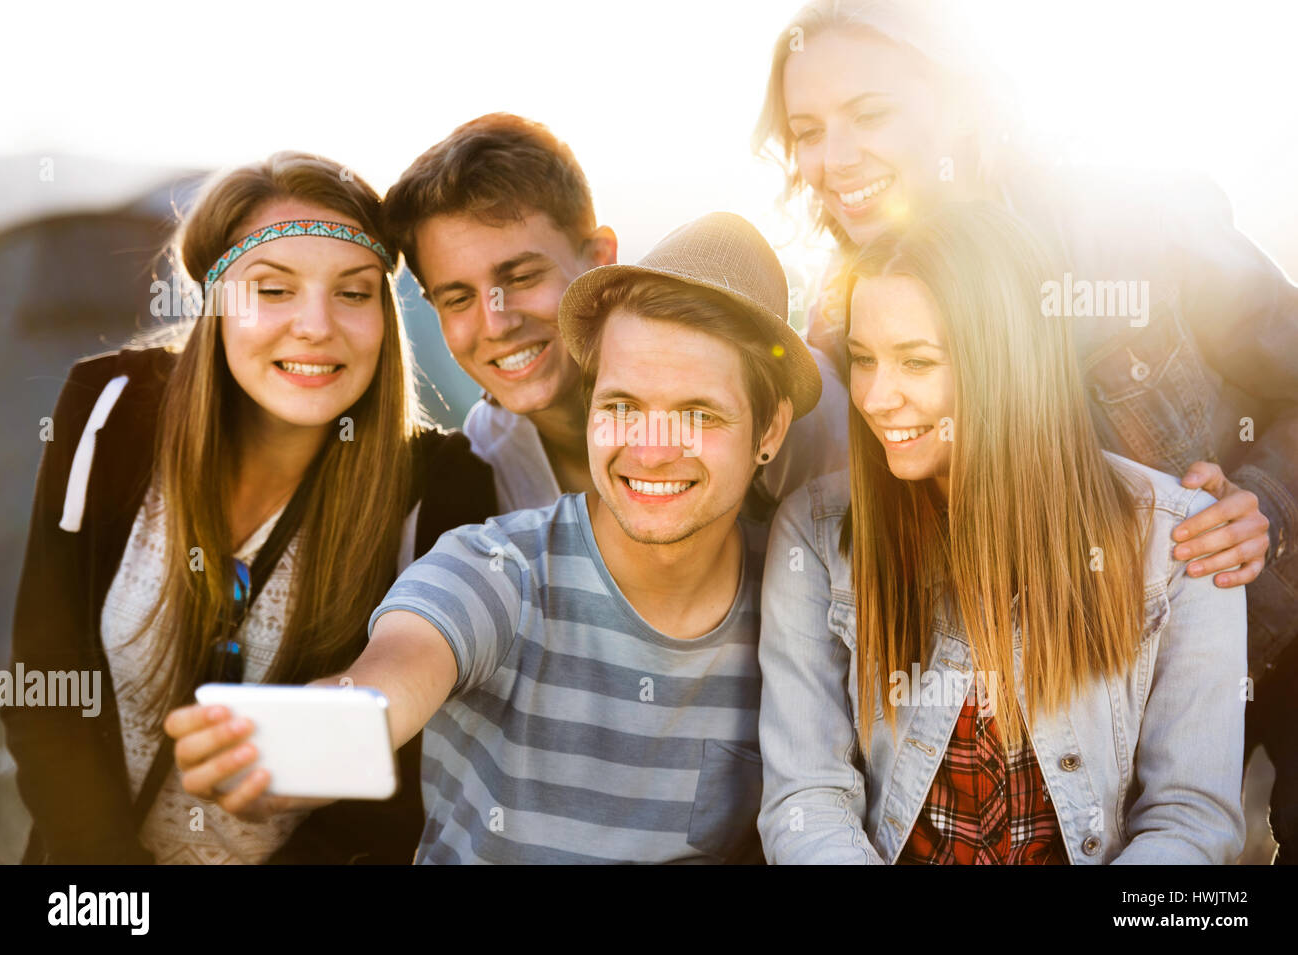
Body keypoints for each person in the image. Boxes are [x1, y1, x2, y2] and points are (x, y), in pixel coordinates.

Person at [754, 0, 1295, 858]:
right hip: (1073, 709)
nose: (834, 158)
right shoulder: (848, 317)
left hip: (1249, 611)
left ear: (962, 106)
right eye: (807, 130)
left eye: (871, 114)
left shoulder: (1133, 222)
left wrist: (1266, 505)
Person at [166, 212, 821, 863]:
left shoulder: (797, 599)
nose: (651, 451)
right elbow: (393, 675)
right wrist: (305, 744)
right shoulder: (497, 568)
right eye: (622, 405)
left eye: (697, 414)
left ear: (768, 431)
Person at [2, 152, 496, 864]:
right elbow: (45, 691)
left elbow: (406, 790)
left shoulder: (441, 487)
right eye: (273, 289)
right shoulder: (109, 409)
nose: (316, 326)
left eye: (354, 293)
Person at [758, 201, 1248, 864]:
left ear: (1008, 367)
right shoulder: (814, 535)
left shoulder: (1183, 541)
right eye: (864, 358)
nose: (875, 397)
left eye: (917, 361)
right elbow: (807, 798)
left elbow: (1189, 822)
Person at [383, 112, 848, 514]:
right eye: (458, 298)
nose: (497, 322)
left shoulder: (787, 406)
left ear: (601, 257)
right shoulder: (482, 466)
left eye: (522, 278)